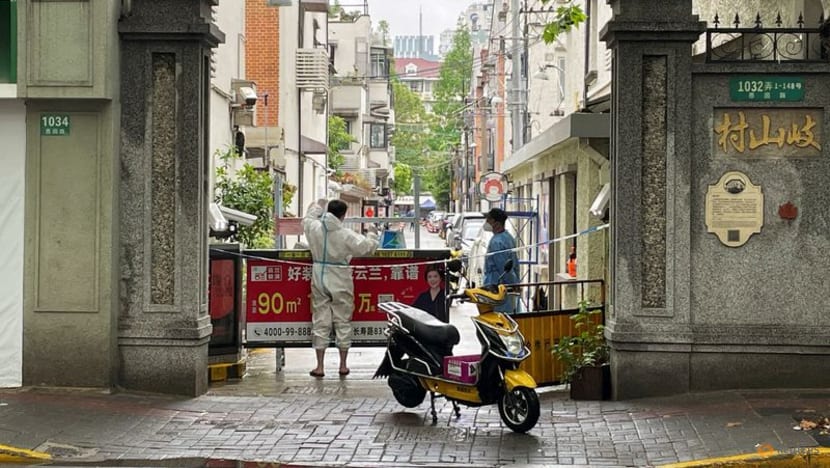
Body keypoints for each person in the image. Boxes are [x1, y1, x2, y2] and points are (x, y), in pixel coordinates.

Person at [303, 198, 379, 378]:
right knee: (342, 321)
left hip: (319, 275)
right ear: (343, 215)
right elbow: (367, 248)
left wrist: (317, 206)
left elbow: (306, 219)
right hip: (340, 278)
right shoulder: (345, 234)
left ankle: (320, 367)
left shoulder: (314, 228)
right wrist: (372, 233)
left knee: (320, 320)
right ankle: (343, 365)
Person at [483, 208, 520, 313]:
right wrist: (515, 284)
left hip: (497, 286)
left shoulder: (497, 242)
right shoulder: (508, 237)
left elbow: (504, 269)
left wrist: (513, 285)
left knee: (499, 318)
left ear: (496, 223)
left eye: (488, 220)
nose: (486, 223)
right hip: (506, 286)